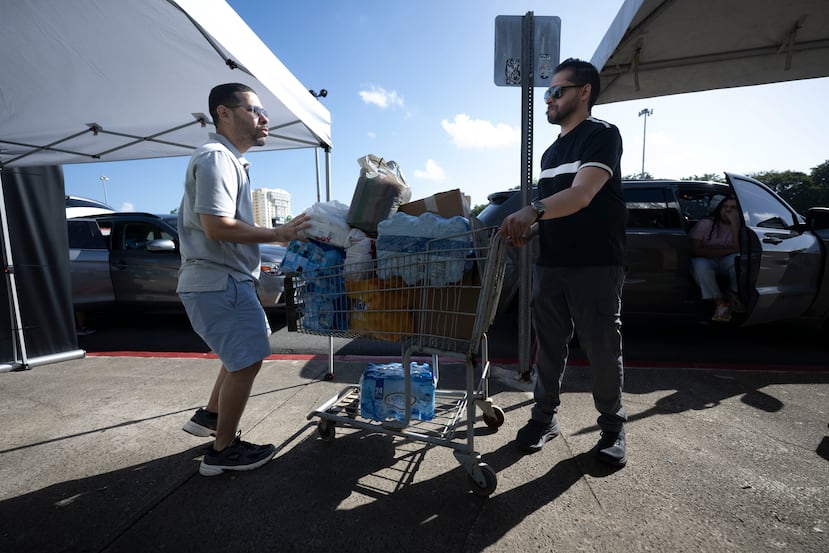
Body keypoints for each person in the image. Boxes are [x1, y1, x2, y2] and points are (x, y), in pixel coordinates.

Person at [499, 58, 628, 467]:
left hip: (596, 263)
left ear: (583, 92)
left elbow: (582, 195)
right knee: (549, 348)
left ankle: (612, 428)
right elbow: (554, 211)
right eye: (547, 93)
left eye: (557, 91)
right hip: (551, 264)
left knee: (602, 346)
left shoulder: (602, 135)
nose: (548, 100)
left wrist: (531, 210)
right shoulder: (551, 153)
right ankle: (544, 419)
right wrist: (527, 231)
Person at [177, 82, 310, 477]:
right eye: (255, 110)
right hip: (219, 281)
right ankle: (222, 452)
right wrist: (277, 235)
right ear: (224, 113)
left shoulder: (227, 160)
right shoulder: (217, 157)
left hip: (218, 281)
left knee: (239, 355)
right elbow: (216, 227)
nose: (265, 118)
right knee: (249, 359)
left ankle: (210, 416)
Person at [688, 195, 741, 322]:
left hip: (726, 261)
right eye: (725, 207)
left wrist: (735, 224)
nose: (728, 210)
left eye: (733, 208)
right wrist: (729, 250)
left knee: (739, 260)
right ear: (719, 208)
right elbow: (696, 250)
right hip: (706, 260)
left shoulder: (741, 226)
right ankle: (720, 304)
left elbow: (739, 250)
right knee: (700, 265)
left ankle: (733, 295)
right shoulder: (706, 224)